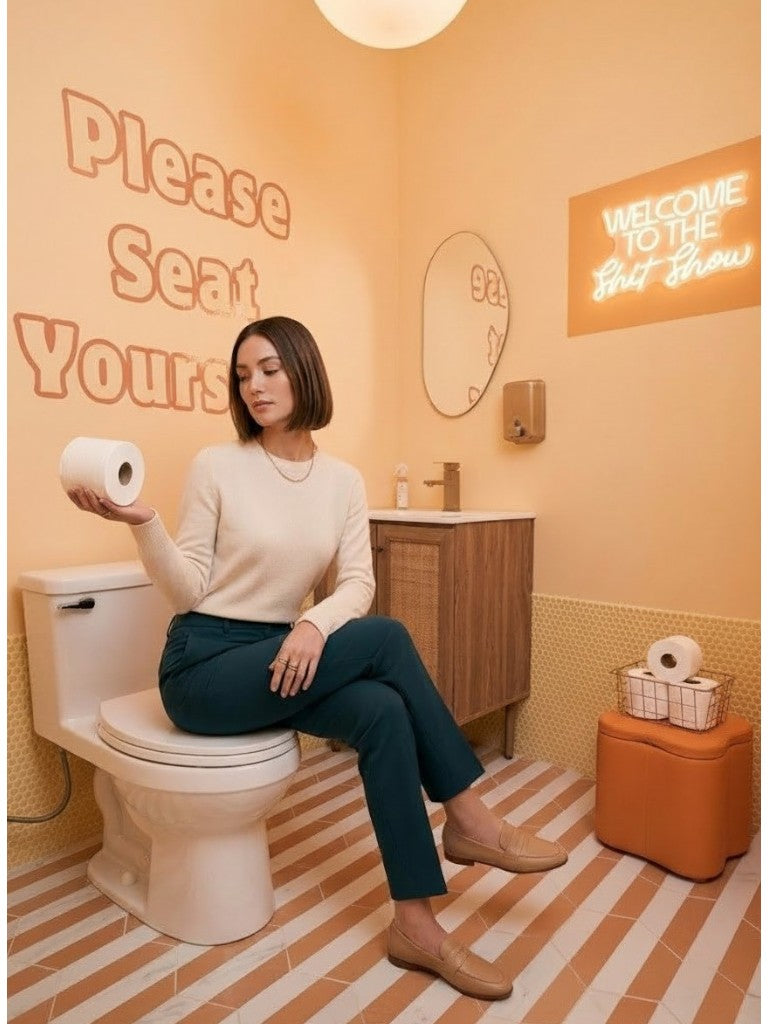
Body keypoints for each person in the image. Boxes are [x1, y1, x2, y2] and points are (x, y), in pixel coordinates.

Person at [68, 315, 567, 1000]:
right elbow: (187, 587)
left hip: (278, 652)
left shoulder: (341, 481)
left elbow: (358, 581)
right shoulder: (218, 465)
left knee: (384, 710)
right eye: (244, 375)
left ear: (304, 370)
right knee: (387, 638)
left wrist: (310, 624)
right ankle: (469, 816)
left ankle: (415, 926)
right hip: (203, 665)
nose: (255, 386)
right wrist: (144, 523)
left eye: (269, 368)